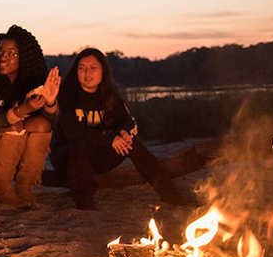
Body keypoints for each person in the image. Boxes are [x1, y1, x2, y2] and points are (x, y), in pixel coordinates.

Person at [49, 47, 197, 210]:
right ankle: (84, 201)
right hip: (68, 157)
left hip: (98, 156)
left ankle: (170, 194)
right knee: (80, 143)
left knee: (131, 142)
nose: (87, 73)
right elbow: (72, 131)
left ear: (103, 71)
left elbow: (129, 122)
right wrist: (110, 138)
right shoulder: (67, 94)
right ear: (76, 71)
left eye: (93, 68)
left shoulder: (110, 94)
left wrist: (124, 133)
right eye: (82, 68)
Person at [0, 25, 60, 207]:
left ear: (25, 58)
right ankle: (2, 189)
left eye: (12, 54)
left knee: (42, 125)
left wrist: (50, 102)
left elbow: (51, 122)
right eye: (0, 52)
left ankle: (24, 186)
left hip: (19, 141)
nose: (3, 57)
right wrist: (21, 111)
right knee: (15, 125)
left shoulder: (32, 78)